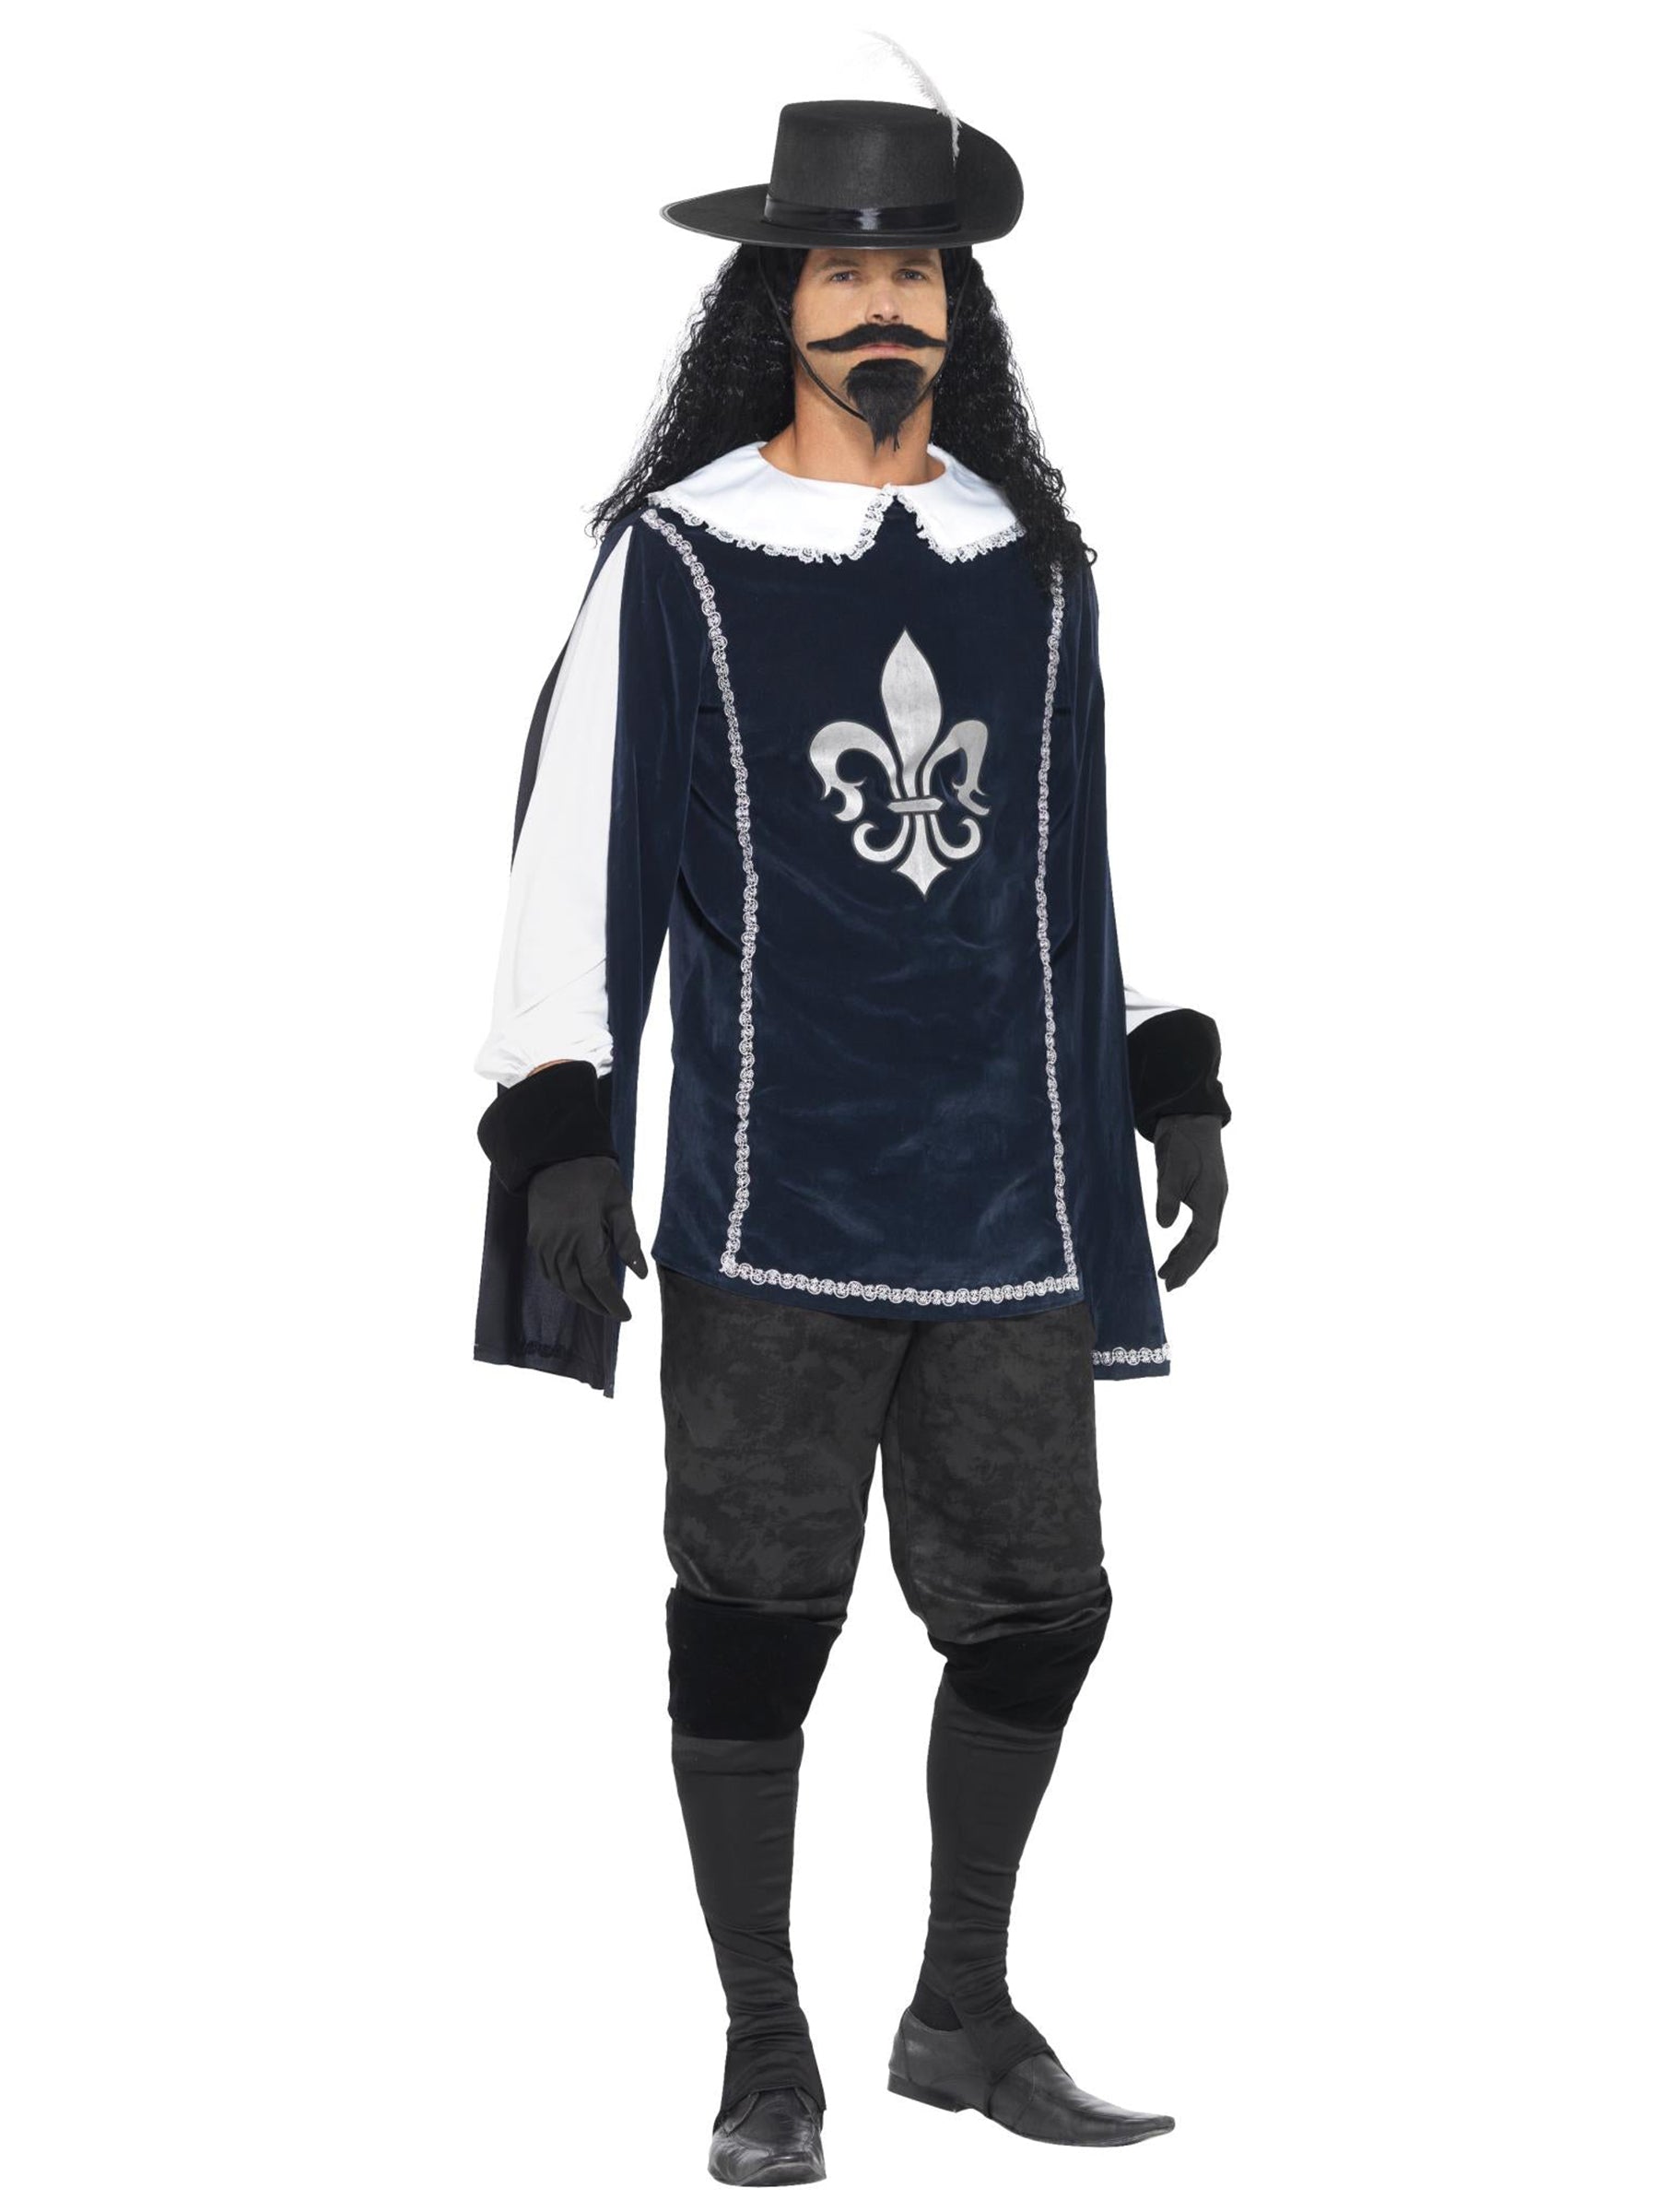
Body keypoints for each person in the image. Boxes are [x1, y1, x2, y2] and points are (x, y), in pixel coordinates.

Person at [471, 75, 1230, 2189]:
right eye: (841, 272)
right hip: (774, 1191)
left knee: (1040, 1609)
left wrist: (1162, 1063)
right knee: (752, 1626)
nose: (882, 305)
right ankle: (764, 2045)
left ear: (956, 308)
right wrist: (557, 1112)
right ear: (775, 303)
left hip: (1004, 1200)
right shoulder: (685, 556)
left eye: (916, 273)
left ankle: (959, 2009)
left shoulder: (1028, 563)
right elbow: (574, 842)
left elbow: (1078, 853)